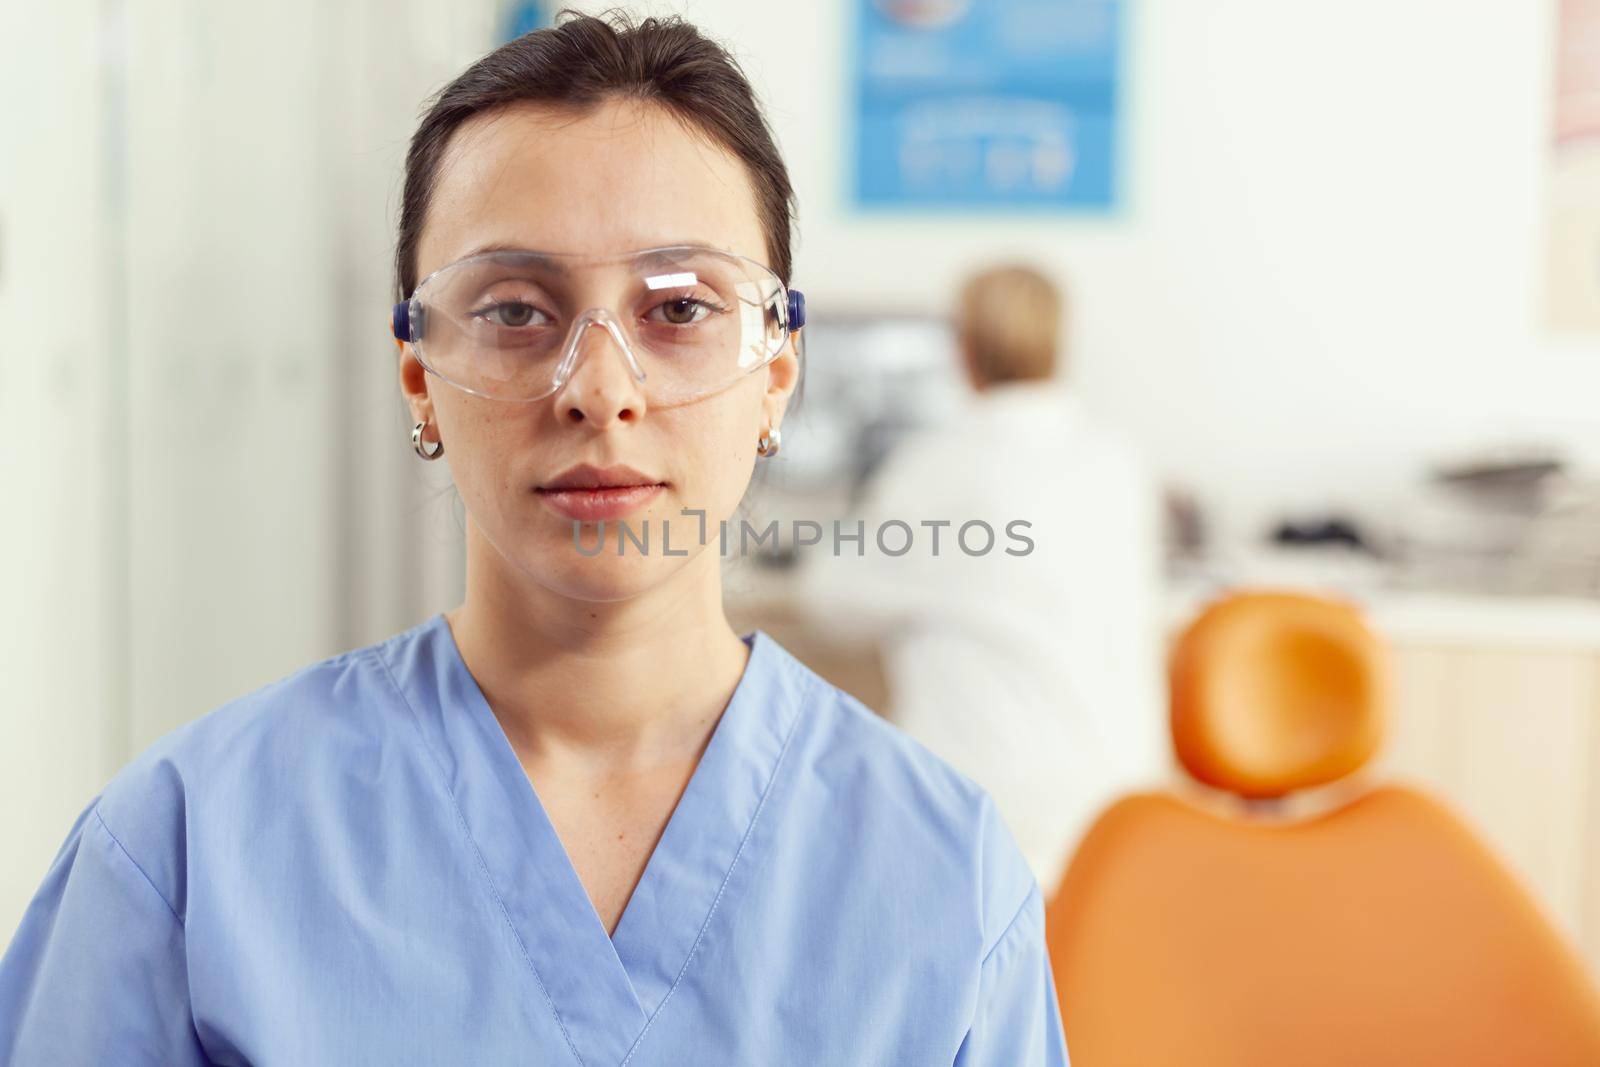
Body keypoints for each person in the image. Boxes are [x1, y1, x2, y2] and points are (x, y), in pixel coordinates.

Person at [0, 13, 1068, 1066]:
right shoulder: (185, 855)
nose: (600, 391)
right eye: (516, 312)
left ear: (775, 372)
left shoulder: (943, 877)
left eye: (681, 310)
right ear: (418, 374)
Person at [798, 264, 1167, 892]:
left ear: (962, 350)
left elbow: (825, 599)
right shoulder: (1115, 462)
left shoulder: (938, 467)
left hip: (990, 809)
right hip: (1120, 810)